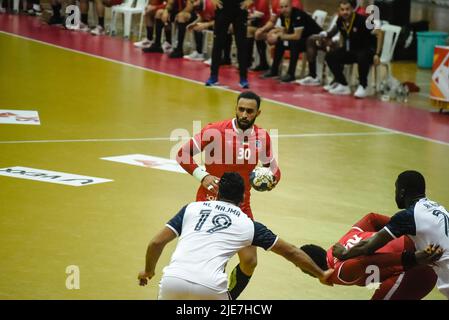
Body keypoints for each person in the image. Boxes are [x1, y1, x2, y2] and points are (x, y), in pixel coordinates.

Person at [138, 172, 333, 299]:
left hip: (174, 281)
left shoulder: (191, 209)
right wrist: (321, 273)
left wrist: (149, 271)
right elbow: (291, 252)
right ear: (242, 198)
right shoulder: (249, 225)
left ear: (217, 192)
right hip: (211, 287)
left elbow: (156, 243)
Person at [176, 90, 281, 299]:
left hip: (242, 206)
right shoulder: (214, 131)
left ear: (257, 113)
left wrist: (271, 180)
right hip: (210, 201)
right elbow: (182, 153)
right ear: (235, 108)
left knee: (250, 260)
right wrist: (202, 176)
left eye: (249, 111)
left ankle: (228, 298)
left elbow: (275, 169)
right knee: (215, 260)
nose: (244, 114)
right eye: (241, 109)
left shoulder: (262, 137)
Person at [333, 170, 449, 299]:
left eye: (396, 189)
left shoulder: (409, 216)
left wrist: (344, 253)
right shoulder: (439, 209)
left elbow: (368, 246)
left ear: (402, 192)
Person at [300, 212, 438, 299]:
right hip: (421, 244)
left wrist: (413, 258)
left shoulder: (340, 272)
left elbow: (370, 261)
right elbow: (372, 218)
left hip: (418, 267)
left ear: (310, 272)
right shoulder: (336, 248)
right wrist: (409, 230)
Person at [323, 0, 383, 98]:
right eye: (342, 9)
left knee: (362, 56)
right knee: (330, 56)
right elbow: (344, 34)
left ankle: (363, 86)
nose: (345, 12)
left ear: (352, 9)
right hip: (351, 50)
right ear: (339, 10)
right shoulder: (340, 21)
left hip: (367, 50)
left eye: (347, 9)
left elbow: (380, 33)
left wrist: (377, 54)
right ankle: (343, 84)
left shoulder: (363, 20)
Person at [261, 0, 322, 83]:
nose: (284, 9)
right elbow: (284, 31)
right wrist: (274, 34)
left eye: (286, 6)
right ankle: (274, 70)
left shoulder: (298, 15)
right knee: (280, 43)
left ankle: (291, 74)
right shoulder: (283, 16)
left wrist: (279, 37)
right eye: (282, 7)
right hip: (302, 39)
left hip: (313, 39)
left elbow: (297, 36)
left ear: (291, 6)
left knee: (294, 43)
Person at [204, 0, 252, 89]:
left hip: (240, 8)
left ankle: (243, 78)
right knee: (218, 43)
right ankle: (213, 76)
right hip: (223, 7)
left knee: (241, 44)